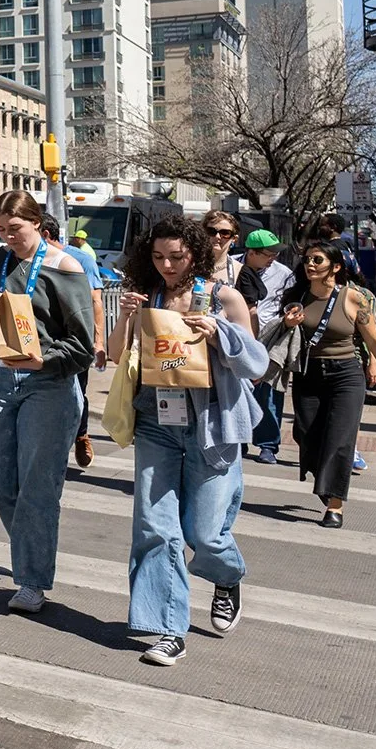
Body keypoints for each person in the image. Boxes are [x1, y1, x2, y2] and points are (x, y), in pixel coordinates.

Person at [113, 214, 265, 666]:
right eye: (158, 257)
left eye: (176, 257)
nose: (167, 266)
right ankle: (167, 629)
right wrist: (126, 318)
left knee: (204, 532)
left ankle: (228, 575)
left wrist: (221, 333)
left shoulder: (223, 297)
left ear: (195, 253)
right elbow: (119, 353)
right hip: (156, 421)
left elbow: (256, 363)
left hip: (213, 424)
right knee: (156, 528)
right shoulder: (149, 297)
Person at [0, 190, 96, 614]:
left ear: (37, 223)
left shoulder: (65, 265)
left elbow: (83, 345)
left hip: (48, 385)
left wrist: (47, 359)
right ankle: (30, 548)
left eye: (14, 229)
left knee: (38, 489)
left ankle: (31, 581)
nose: (6, 238)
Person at [278, 240, 376, 528]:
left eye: (318, 261)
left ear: (335, 267)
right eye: (308, 260)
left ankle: (335, 505)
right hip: (308, 374)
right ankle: (328, 482)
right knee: (306, 435)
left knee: (339, 439)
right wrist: (288, 323)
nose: (310, 265)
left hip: (346, 375)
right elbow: (280, 335)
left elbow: (374, 339)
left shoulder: (353, 299)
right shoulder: (296, 295)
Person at [45, 215, 106, 469]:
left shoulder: (82, 259)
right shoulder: (24, 259)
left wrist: (99, 341)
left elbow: (96, 301)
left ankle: (81, 435)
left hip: (75, 339)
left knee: (77, 391)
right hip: (44, 340)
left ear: (45, 235)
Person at [237, 231, 295, 463]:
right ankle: (238, 440)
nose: (273, 258)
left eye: (275, 253)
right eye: (268, 254)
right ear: (251, 252)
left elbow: (290, 302)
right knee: (238, 392)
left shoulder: (283, 274)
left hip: (269, 337)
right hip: (239, 337)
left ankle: (267, 444)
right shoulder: (232, 267)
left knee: (269, 391)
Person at [202, 212, 244, 283]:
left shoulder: (240, 271)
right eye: (211, 231)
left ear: (234, 239)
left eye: (225, 233)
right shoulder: (187, 265)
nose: (217, 236)